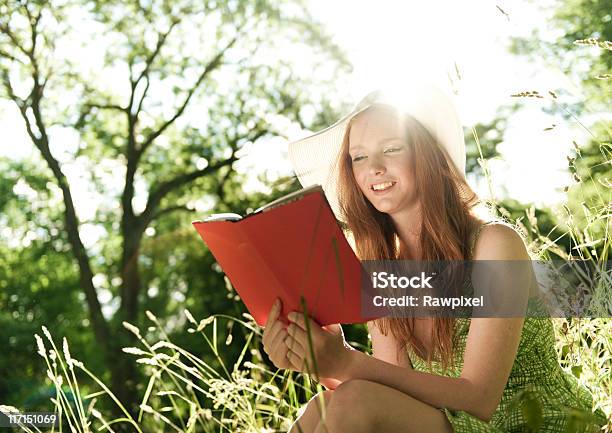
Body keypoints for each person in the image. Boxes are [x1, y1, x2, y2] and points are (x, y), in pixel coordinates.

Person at [261, 85, 608, 433]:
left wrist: (346, 361)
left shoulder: (494, 244)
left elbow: (479, 398)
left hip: (532, 423)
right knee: (320, 408)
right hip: (452, 424)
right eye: (359, 157)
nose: (374, 169)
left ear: (427, 155)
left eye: (392, 149)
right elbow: (390, 392)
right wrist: (323, 364)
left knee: (353, 401)